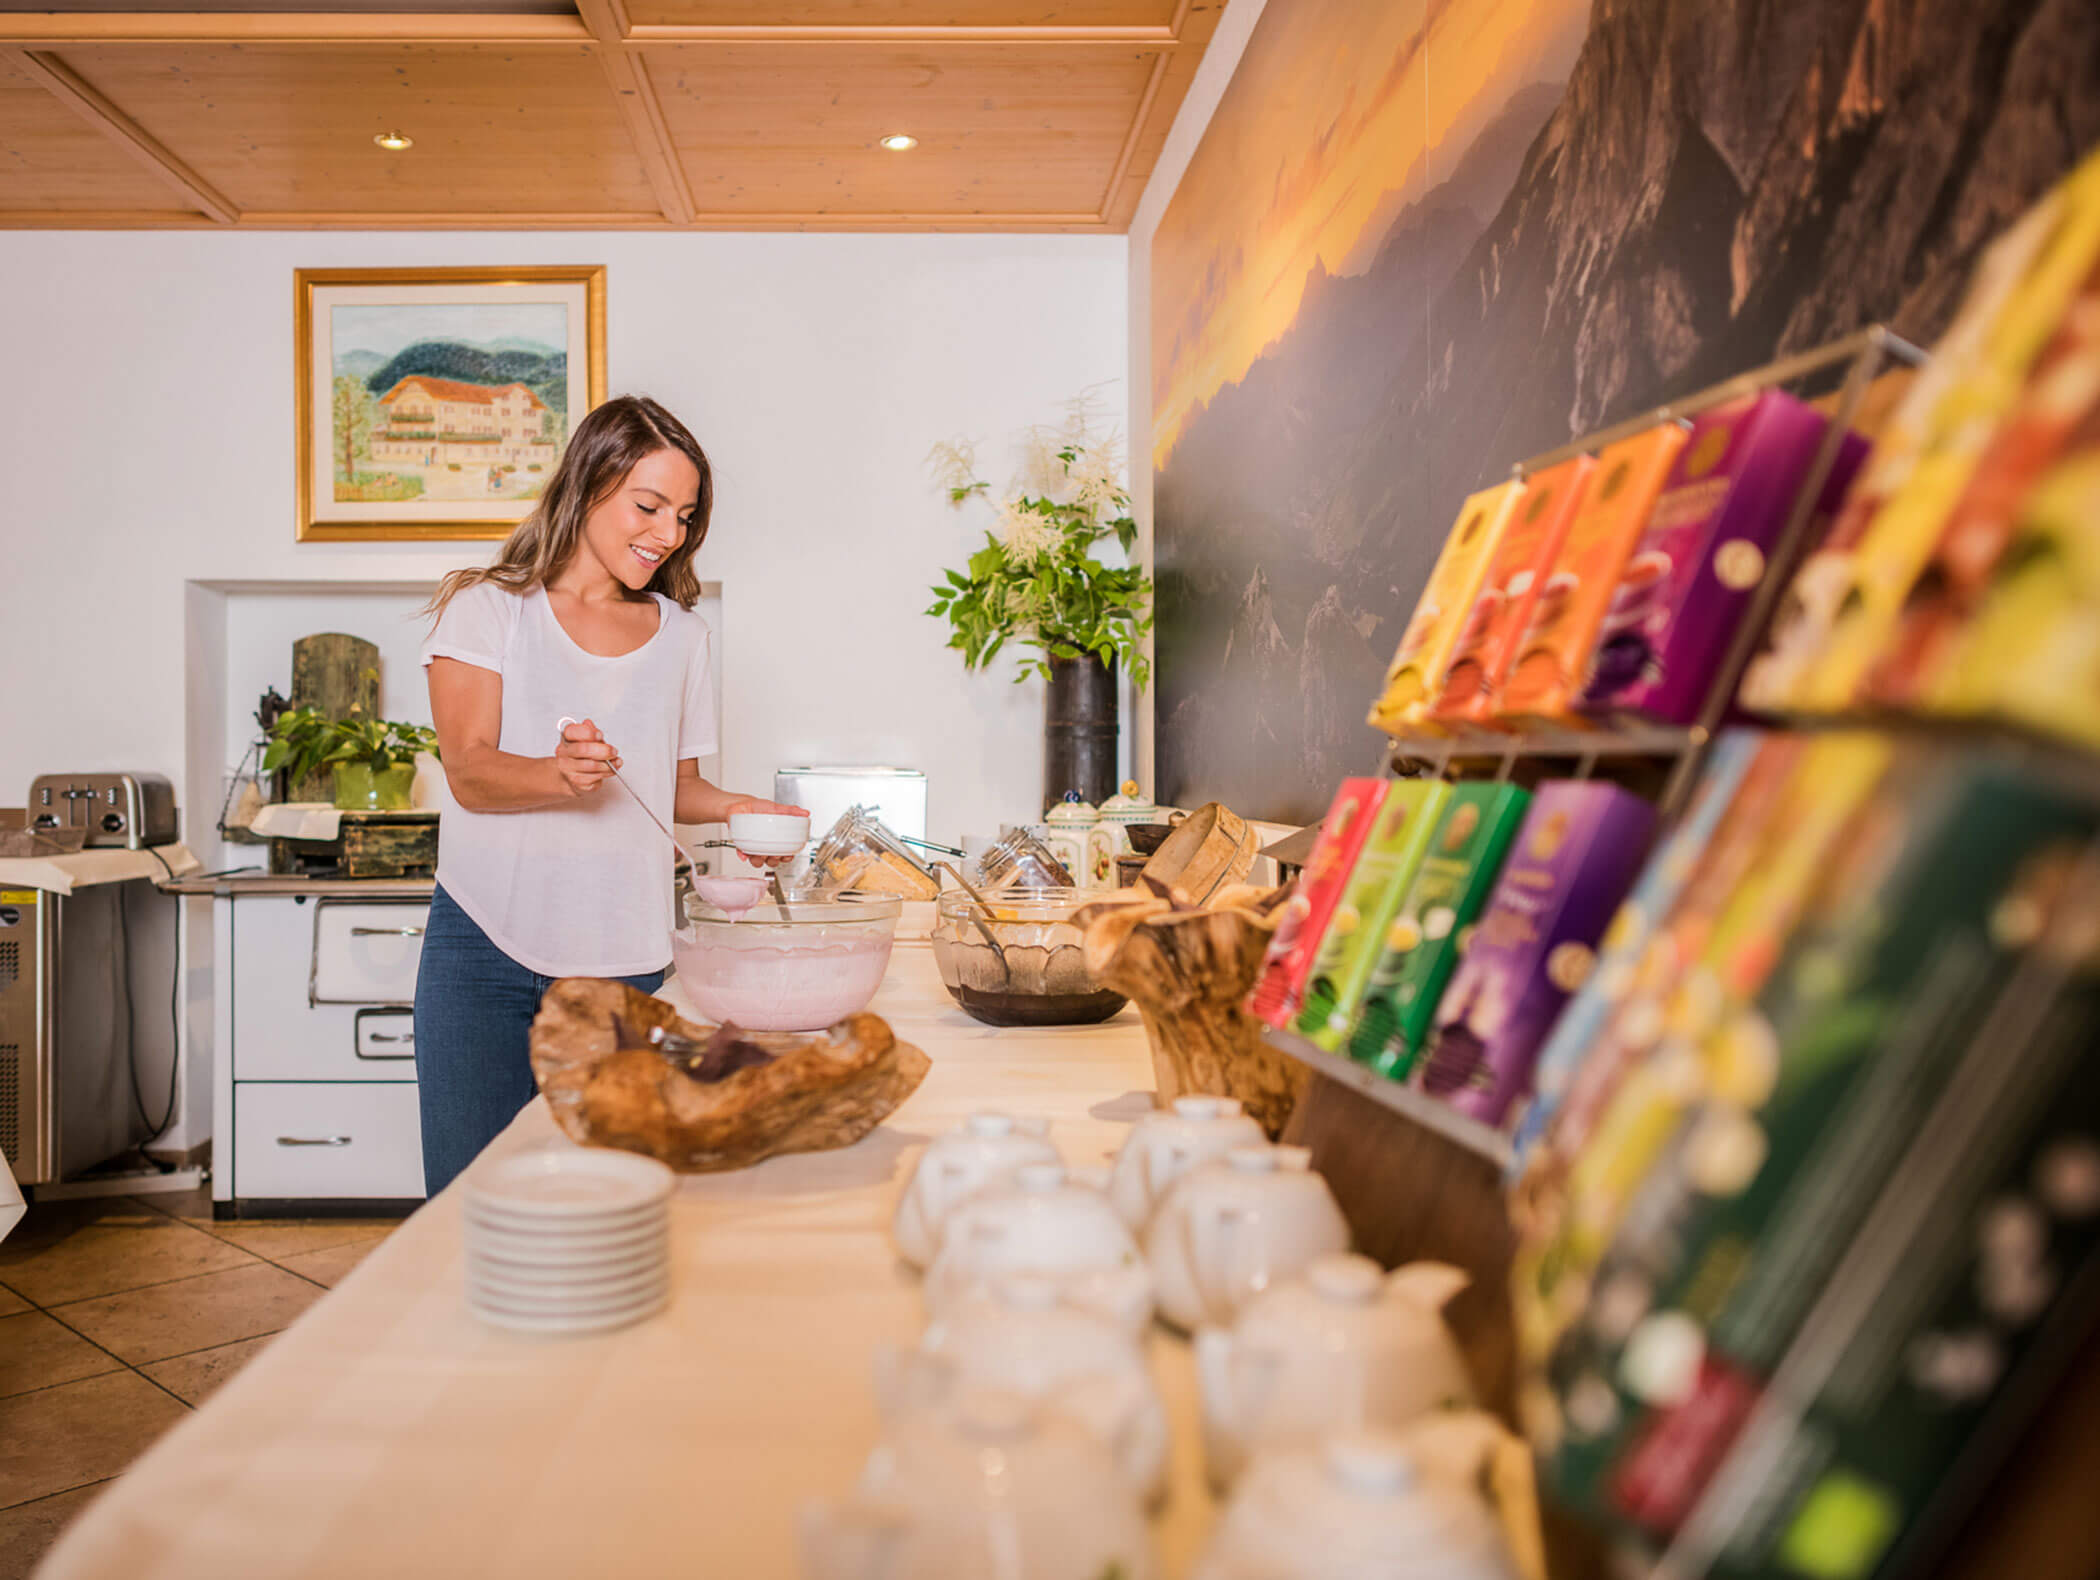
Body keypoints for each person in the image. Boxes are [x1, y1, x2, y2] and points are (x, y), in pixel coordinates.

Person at [413, 394, 805, 1195]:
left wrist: (739, 810)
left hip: (627, 964)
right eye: (649, 505)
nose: (669, 534)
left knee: (614, 1207)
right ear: (588, 484)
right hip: (482, 951)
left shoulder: (685, 636)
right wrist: (556, 773)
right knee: (468, 1207)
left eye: (686, 515)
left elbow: (674, 788)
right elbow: (469, 772)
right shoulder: (488, 610)